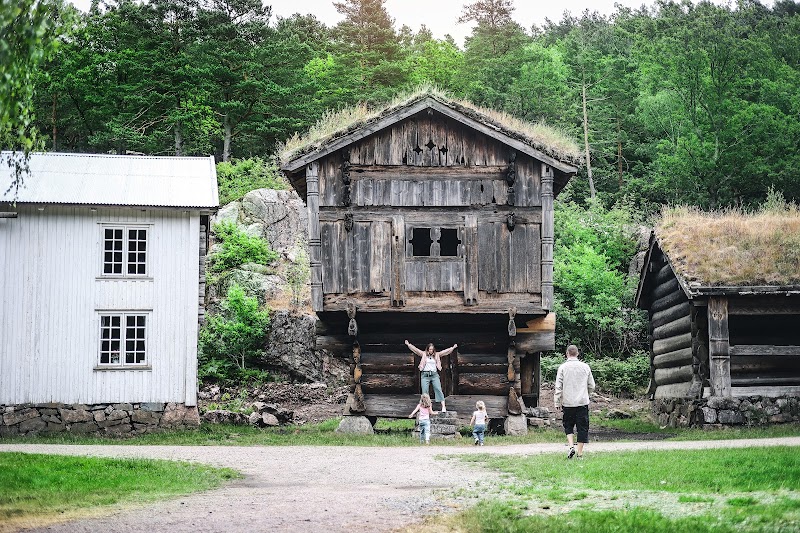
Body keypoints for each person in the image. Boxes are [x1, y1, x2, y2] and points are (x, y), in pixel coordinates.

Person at [554, 345, 596, 459]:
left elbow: (558, 386)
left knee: (568, 425)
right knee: (582, 427)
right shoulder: (585, 367)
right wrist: (586, 393)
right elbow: (592, 385)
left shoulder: (562, 368)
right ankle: (580, 453)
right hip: (582, 402)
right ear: (577, 354)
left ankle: (571, 446)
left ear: (567, 354)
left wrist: (557, 401)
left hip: (568, 402)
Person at [405, 340, 457, 412]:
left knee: (438, 389)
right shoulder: (423, 354)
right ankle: (428, 408)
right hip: (425, 375)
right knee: (425, 391)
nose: (431, 351)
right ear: (427, 349)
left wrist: (452, 348)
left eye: (432, 349)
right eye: (429, 349)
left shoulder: (437, 355)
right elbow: (416, 350)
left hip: (434, 375)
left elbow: (445, 352)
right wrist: (409, 345)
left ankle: (443, 407)